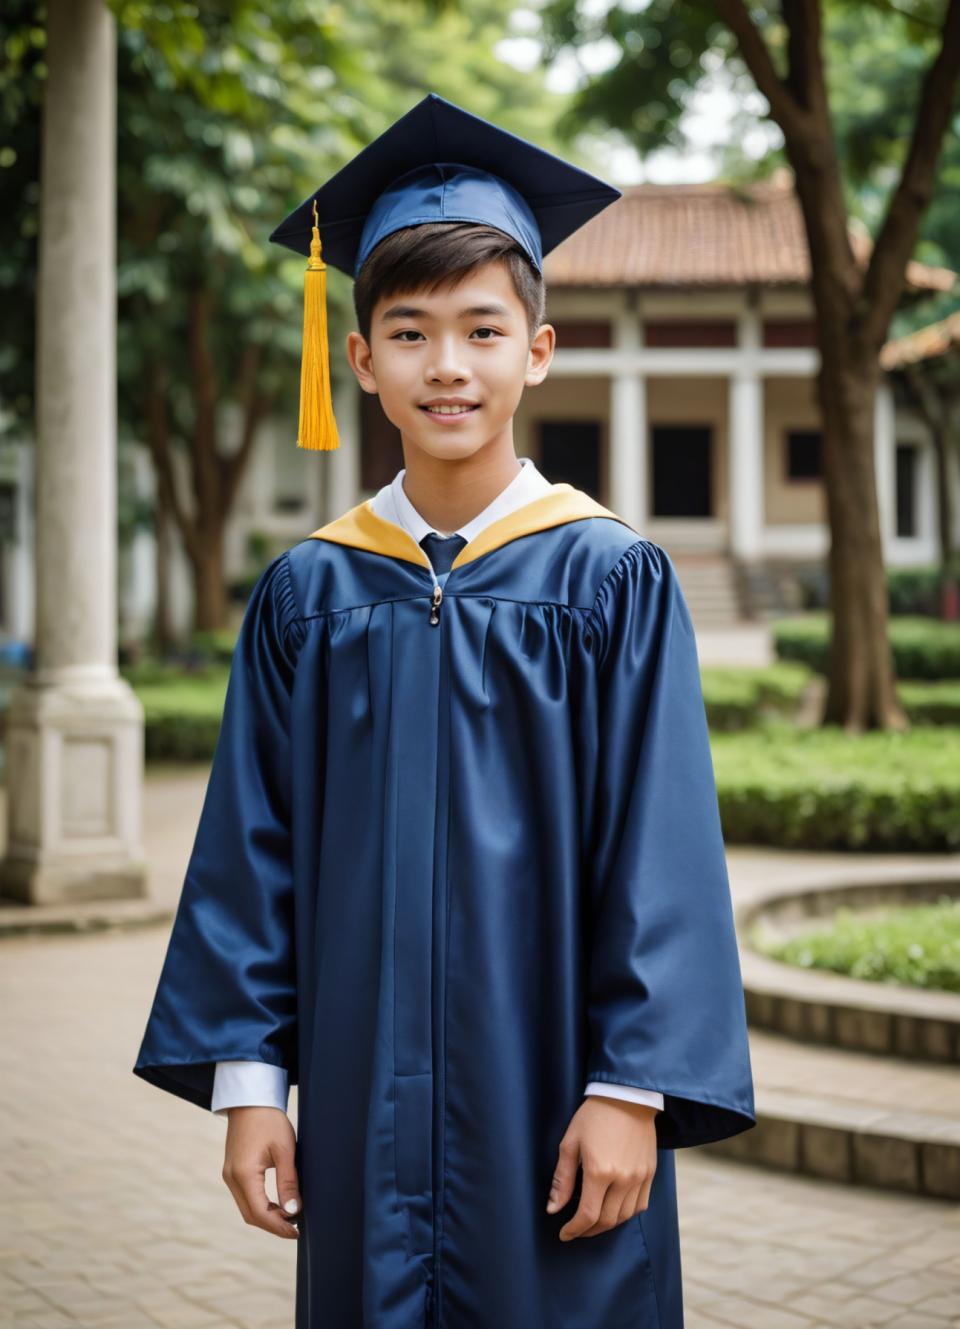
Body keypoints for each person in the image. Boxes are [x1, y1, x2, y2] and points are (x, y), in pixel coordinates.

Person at [133, 91, 756, 1329]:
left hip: (556, 1093)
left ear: (539, 348)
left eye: (482, 329)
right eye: (410, 334)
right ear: (360, 360)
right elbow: (252, 853)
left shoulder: (606, 576)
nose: (448, 367)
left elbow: (663, 849)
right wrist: (253, 1082)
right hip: (363, 1099)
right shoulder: (309, 593)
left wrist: (632, 1088)